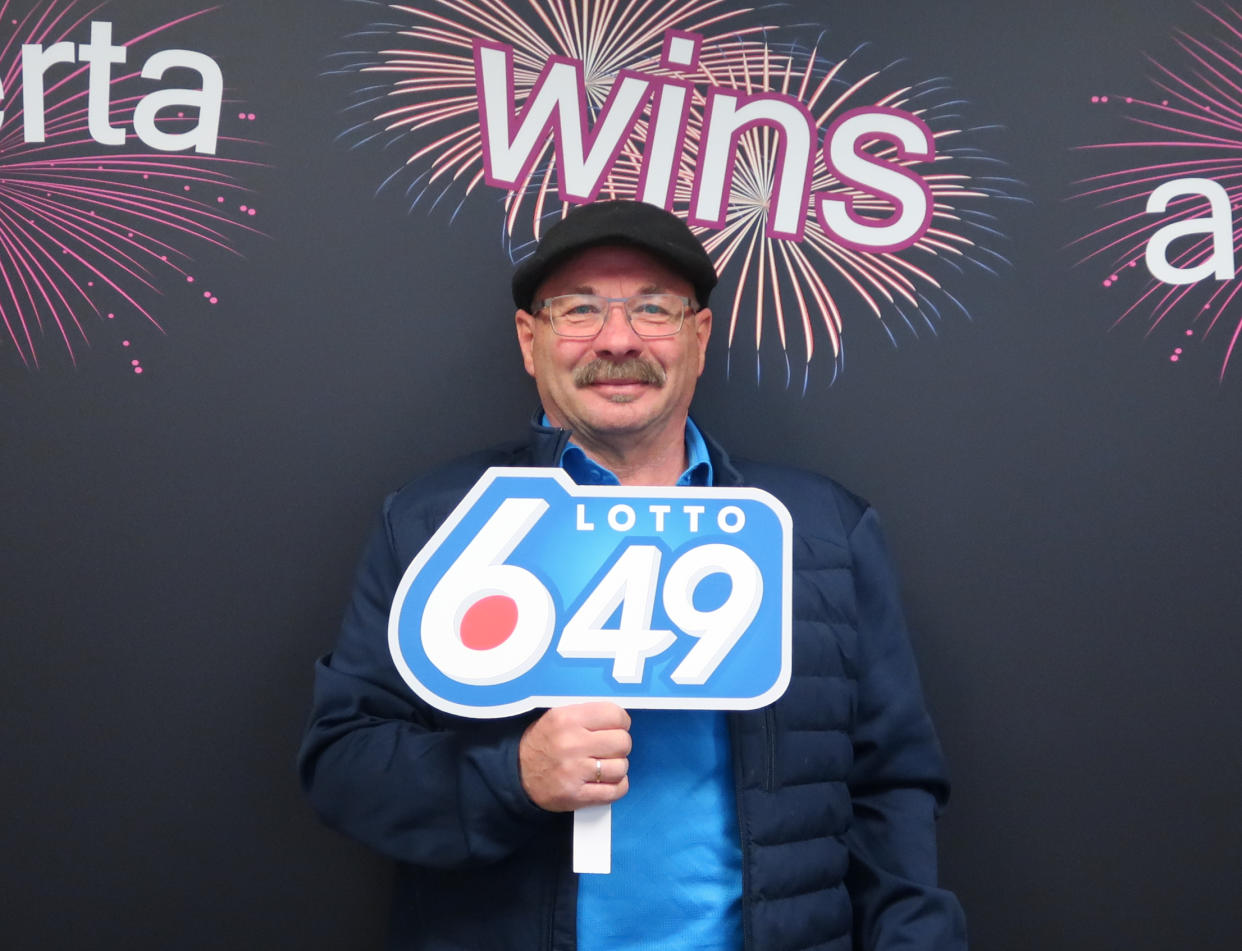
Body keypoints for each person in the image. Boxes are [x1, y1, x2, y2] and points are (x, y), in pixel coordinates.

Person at [298, 199, 967, 950]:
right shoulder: (434, 522)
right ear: (530, 339)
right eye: (579, 309)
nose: (617, 339)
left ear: (699, 335)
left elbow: (892, 789)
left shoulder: (824, 531)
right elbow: (343, 762)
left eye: (653, 308)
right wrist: (515, 775)